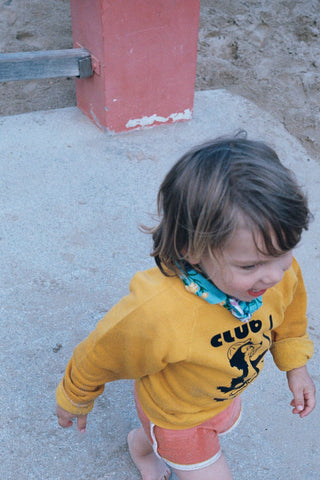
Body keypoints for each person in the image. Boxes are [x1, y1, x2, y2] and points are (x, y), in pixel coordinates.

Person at [56, 134, 316, 480]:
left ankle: (141, 442)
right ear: (191, 248)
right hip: (175, 416)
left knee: (169, 437)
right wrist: (74, 396)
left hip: (218, 396)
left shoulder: (279, 271)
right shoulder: (157, 311)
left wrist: (295, 366)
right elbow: (101, 352)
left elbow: (291, 317)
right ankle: (149, 441)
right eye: (249, 266)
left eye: (283, 254)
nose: (272, 276)